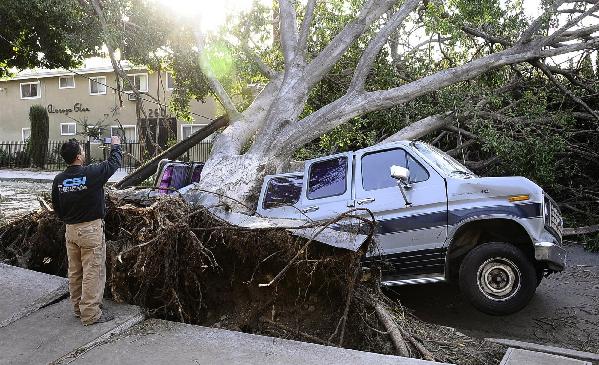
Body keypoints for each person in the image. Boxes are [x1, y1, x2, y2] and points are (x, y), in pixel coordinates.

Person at [51, 136, 122, 325]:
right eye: (82, 150)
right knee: (93, 271)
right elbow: (114, 163)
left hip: (71, 230)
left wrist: (70, 220)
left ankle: (78, 308)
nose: (83, 153)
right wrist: (116, 145)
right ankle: (90, 314)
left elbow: (56, 207)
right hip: (90, 230)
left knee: (75, 271)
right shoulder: (91, 174)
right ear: (79, 156)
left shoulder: (59, 180)